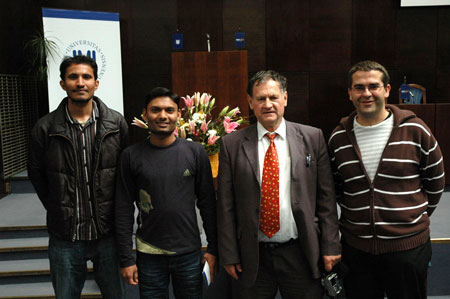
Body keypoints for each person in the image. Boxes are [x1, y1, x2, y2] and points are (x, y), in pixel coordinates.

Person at [217, 70, 341, 298]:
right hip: (252, 256)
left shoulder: (312, 138)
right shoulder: (231, 144)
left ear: (285, 98)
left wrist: (331, 245)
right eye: (261, 98)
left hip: (301, 252)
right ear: (250, 102)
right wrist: (229, 253)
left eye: (273, 97)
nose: (267, 104)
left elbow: (326, 199)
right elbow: (225, 204)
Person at [328, 60, 445, 299]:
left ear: (387, 90)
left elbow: (435, 182)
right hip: (357, 250)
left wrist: (410, 218)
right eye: (359, 88)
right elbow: (337, 189)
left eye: (374, 86)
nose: (367, 93)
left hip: (408, 249)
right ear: (350, 93)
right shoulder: (338, 137)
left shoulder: (415, 130)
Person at [28, 55, 128, 298]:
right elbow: (37, 175)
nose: (80, 82)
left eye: (86, 77)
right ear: (63, 84)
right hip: (66, 236)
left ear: (96, 83)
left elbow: (125, 176)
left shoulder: (116, 124)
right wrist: (58, 207)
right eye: (73, 77)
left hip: (107, 234)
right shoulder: (45, 128)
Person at [115, 87, 218, 298]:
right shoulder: (130, 156)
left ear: (179, 114)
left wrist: (213, 249)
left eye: (169, 110)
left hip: (188, 251)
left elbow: (208, 204)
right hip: (148, 253)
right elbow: (123, 209)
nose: (163, 116)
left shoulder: (195, 152)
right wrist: (126, 258)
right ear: (145, 114)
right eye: (156, 110)